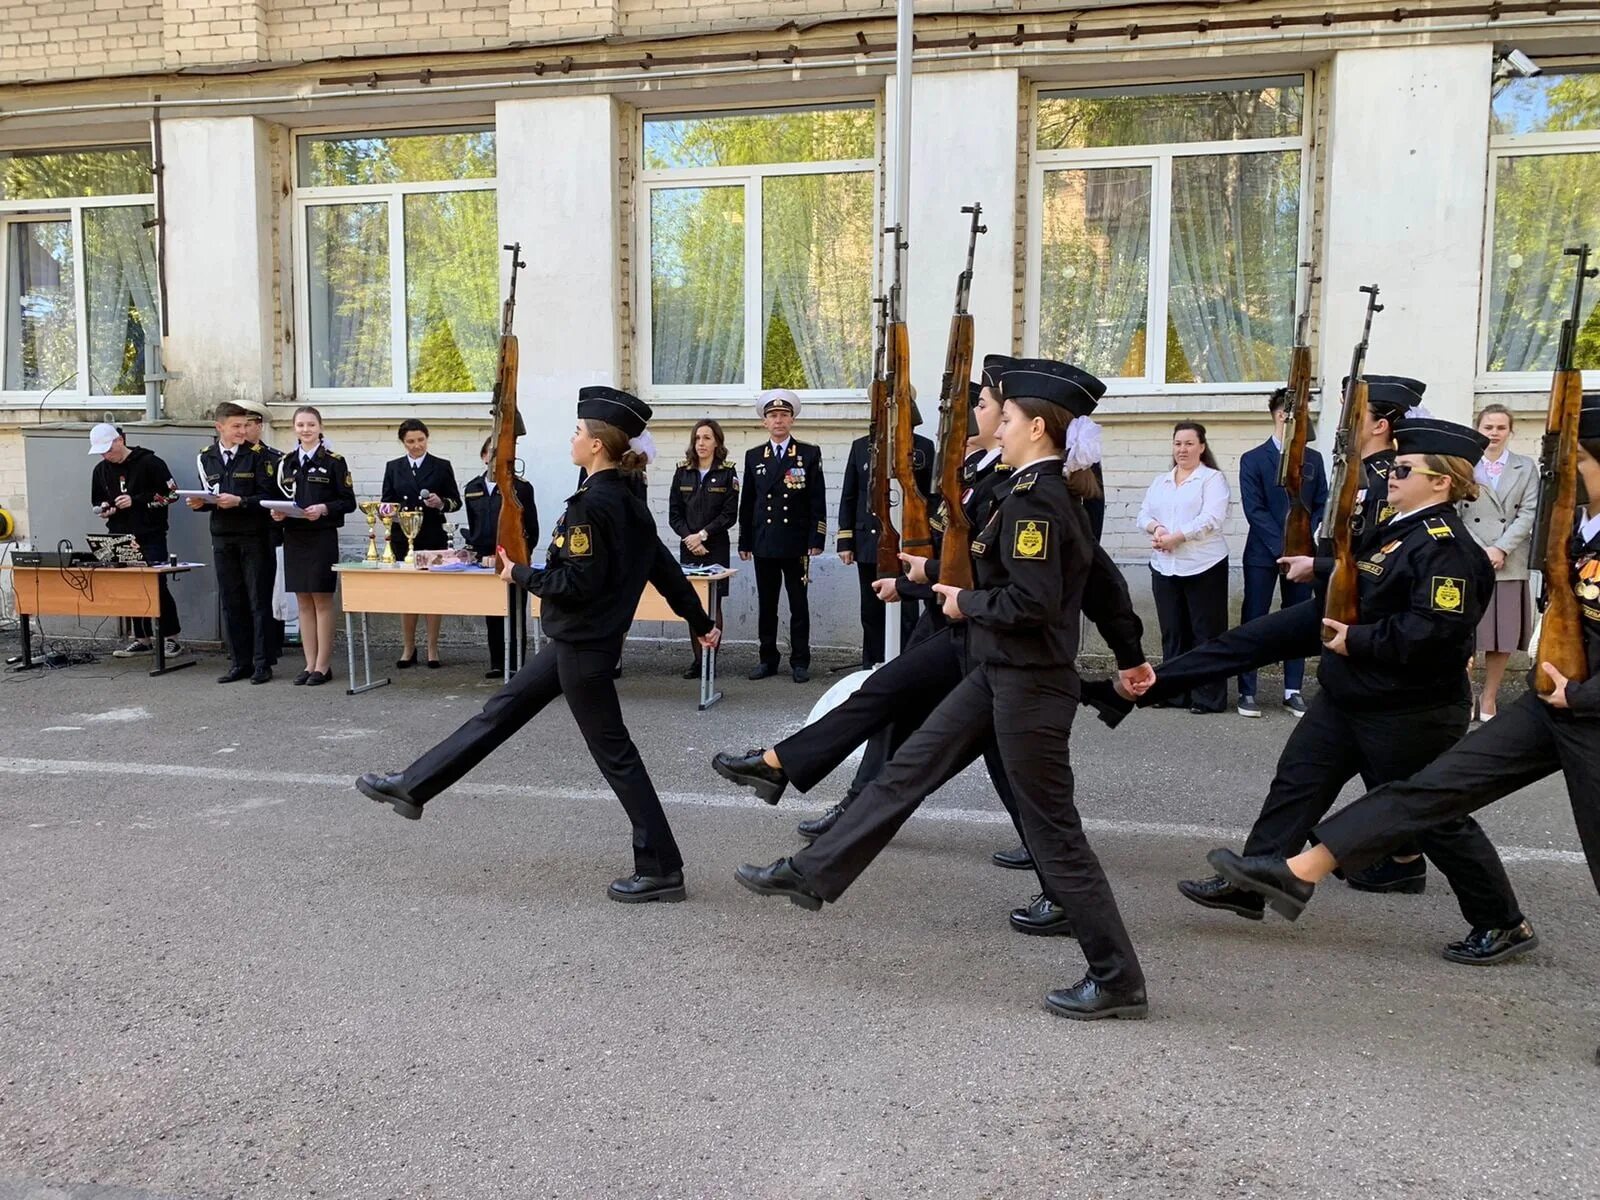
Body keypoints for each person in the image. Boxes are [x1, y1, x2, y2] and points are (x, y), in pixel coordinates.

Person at [733, 358, 1151, 1020]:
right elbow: (1100, 584)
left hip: (1028, 685)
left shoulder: (1041, 499)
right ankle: (813, 872)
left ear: (1037, 427)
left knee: (1055, 835)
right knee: (906, 770)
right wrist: (1130, 654)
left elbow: (1032, 604)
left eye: (1007, 417)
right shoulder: (1031, 493)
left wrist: (964, 605)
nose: (999, 426)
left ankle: (1117, 975)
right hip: (996, 674)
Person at [1205, 395, 1600, 1059]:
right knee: (1427, 792)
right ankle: (1290, 871)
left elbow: (1432, 625)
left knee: (1443, 811)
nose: (1562, 467)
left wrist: (1584, 694)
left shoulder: (1470, 542)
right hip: (1544, 701)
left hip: (1550, 706)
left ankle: (1492, 918)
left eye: (1576, 456)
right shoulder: (1579, 528)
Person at [1173, 417, 1534, 962]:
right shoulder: (1402, 526)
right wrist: (1319, 568)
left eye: (1405, 469)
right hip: (1352, 696)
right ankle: (1252, 883)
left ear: (1440, 482)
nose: (1392, 473)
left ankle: (1503, 922)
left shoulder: (1449, 548)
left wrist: (1357, 641)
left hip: (1406, 710)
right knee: (1297, 783)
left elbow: (1434, 633)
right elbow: (1368, 573)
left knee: (1433, 817)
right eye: (1395, 465)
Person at [356, 387, 720, 904]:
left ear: (597, 445)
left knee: (617, 758)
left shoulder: (593, 505)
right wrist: (701, 620)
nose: (571, 439)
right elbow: (665, 569)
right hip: (579, 644)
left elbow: (575, 585)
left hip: (583, 648)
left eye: (577, 433)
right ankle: (415, 786)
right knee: (498, 712)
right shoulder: (628, 498)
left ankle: (662, 868)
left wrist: (518, 572)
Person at [1236, 389, 1328, 718]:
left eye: (1298, 417)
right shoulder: (1253, 459)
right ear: (1276, 416)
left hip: (1303, 554)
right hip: (1264, 553)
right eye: (1286, 415)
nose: (1290, 422)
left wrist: (1304, 541)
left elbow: (1320, 505)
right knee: (1255, 618)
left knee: (1299, 619)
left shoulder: (1313, 460)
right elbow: (1255, 509)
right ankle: (1247, 689)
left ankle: (1293, 690)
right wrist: (1282, 546)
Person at [1137, 421, 1232, 714]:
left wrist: (1177, 537)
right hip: (1165, 566)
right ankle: (1173, 692)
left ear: (1202, 447)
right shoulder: (1161, 481)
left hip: (1204, 565)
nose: (1183, 449)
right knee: (1173, 631)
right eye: (1178, 443)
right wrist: (1157, 528)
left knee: (1206, 633)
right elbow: (1143, 514)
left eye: (1189, 443)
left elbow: (1211, 518)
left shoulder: (1212, 479)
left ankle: (1207, 697)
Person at [837, 403, 934, 667]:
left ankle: (905, 663)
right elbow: (850, 494)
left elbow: (930, 498)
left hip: (908, 542)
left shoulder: (923, 446)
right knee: (871, 608)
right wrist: (846, 541)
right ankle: (872, 663)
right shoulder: (861, 447)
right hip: (870, 540)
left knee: (907, 609)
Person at [739, 389, 826, 683]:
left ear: (792, 420)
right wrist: (744, 541)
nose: (778, 420)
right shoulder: (754, 457)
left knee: (798, 604)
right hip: (764, 542)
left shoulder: (808, 454)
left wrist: (817, 539)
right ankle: (767, 659)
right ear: (765, 422)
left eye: (784, 415)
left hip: (796, 542)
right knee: (767, 605)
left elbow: (817, 500)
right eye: (773, 416)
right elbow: (748, 502)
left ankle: (800, 661)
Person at [189, 402, 278, 684]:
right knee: (231, 601)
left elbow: (268, 497)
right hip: (222, 536)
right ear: (220, 428)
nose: (243, 431)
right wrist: (198, 504)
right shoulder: (206, 457)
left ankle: (263, 662)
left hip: (254, 536)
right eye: (236, 426)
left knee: (259, 601)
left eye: (245, 425)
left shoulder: (259, 456)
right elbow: (208, 495)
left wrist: (240, 501)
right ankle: (240, 662)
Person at [1463, 404, 1537, 721]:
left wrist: (1501, 549)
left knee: (1501, 634)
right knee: (1466, 631)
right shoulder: (1464, 466)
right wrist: (1482, 550)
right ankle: (1464, 694)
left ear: (1510, 431)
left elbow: (1529, 512)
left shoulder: (1526, 466)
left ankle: (1490, 696)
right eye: (1488, 427)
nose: (1493, 433)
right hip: (1471, 558)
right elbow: (1455, 514)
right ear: (1478, 429)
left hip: (1509, 559)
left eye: (1500, 428)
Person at [273, 406, 356, 686]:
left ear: (319, 427)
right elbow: (280, 496)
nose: (305, 430)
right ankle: (308, 665)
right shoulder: (286, 462)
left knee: (321, 600)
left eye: (310, 424)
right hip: (294, 536)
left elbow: (348, 502)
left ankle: (323, 665)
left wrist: (323, 508)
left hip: (321, 537)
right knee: (302, 601)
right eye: (300, 425)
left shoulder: (334, 461)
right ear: (294, 428)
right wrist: (278, 512)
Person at [88, 423, 182, 659]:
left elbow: (172, 495)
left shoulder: (150, 463)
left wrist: (137, 500)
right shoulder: (100, 470)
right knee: (128, 586)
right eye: (101, 452)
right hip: (118, 534)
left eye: (108, 449)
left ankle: (172, 638)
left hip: (150, 533)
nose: (105, 455)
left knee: (156, 585)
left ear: (120, 441)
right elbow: (97, 501)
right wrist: (104, 510)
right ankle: (142, 638)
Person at [381, 419, 461, 668]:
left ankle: (432, 648)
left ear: (427, 438)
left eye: (420, 440)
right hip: (403, 537)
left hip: (432, 534)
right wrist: (390, 513)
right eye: (411, 441)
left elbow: (456, 502)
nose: (416, 446)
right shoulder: (393, 467)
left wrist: (440, 502)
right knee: (407, 594)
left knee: (432, 593)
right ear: (403, 443)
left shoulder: (441, 466)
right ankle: (408, 648)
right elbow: (386, 503)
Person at [667, 420, 738, 679]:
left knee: (713, 604)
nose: (701, 443)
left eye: (707, 438)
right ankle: (699, 660)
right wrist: (689, 538)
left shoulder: (728, 473)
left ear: (717, 442)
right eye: (697, 438)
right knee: (692, 603)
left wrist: (703, 535)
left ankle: (711, 660)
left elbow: (729, 514)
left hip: (714, 547)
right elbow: (674, 514)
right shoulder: (682, 472)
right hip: (689, 548)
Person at [464, 436, 539, 679]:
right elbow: (474, 525)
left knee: (515, 611)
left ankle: (517, 663)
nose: (496, 460)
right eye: (492, 454)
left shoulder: (521, 488)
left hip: (513, 561)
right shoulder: (472, 488)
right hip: (484, 561)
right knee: (493, 612)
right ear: (484, 457)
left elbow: (531, 529)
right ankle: (497, 663)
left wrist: (518, 557)